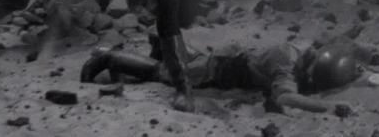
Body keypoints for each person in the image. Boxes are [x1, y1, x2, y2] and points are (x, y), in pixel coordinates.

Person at [80, 40, 364, 114]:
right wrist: (328, 107)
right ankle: (109, 57)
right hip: (217, 70)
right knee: (162, 73)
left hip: (229, 59)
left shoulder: (304, 51)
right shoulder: (286, 63)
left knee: (178, 63)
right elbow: (286, 97)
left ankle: (160, 44)